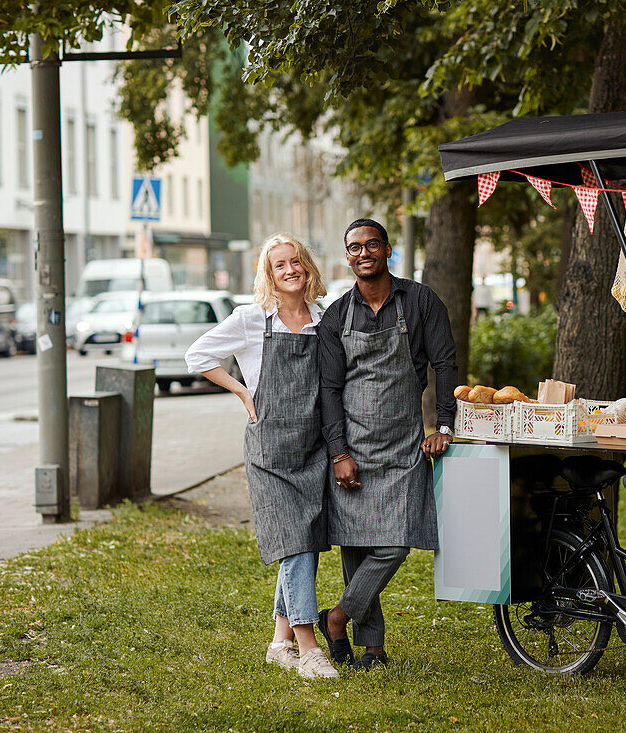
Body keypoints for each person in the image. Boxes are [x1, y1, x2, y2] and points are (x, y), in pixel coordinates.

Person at [185, 233, 339, 680]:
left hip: (312, 449)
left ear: (307, 266)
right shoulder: (252, 320)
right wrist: (241, 390)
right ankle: (310, 649)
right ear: (268, 274)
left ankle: (279, 640)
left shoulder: (322, 319)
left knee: (303, 543)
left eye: (295, 261)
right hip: (270, 452)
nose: (290, 270)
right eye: (279, 265)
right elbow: (197, 355)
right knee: (294, 544)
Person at [317, 218, 458, 670]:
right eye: (354, 247)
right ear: (347, 256)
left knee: (394, 544)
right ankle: (372, 649)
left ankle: (337, 618)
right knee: (357, 547)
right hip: (353, 448)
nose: (363, 253)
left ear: (387, 249)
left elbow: (445, 362)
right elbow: (329, 390)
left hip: (403, 446)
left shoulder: (419, 301)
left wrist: (445, 425)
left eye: (371, 244)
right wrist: (339, 453)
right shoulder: (337, 315)